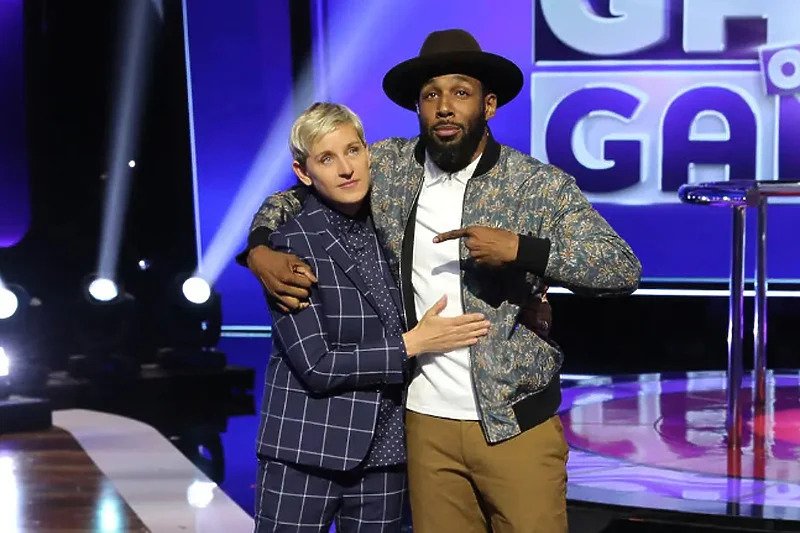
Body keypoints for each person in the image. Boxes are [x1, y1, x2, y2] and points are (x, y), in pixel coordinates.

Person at [245, 30, 641, 533]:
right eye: (431, 95)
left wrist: (523, 251)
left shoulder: (535, 185)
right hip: (423, 423)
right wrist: (259, 249)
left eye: (461, 92)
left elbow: (619, 267)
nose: (445, 107)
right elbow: (295, 194)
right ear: (418, 107)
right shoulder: (390, 166)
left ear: (488, 105)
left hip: (513, 420)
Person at [253, 102, 490, 533]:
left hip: (388, 453)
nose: (346, 169)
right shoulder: (289, 246)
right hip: (309, 449)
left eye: (353, 151)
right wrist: (412, 344)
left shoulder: (393, 228)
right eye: (327, 158)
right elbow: (317, 366)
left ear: (368, 153)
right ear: (304, 172)